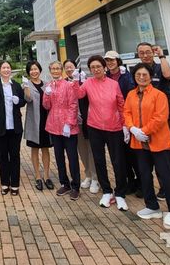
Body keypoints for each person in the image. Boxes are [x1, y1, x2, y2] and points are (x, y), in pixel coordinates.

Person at [124, 63, 170, 226]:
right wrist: (133, 129)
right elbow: (126, 112)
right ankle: (152, 206)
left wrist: (145, 131)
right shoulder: (131, 95)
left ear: (150, 77)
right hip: (139, 144)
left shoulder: (159, 94)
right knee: (144, 175)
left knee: (165, 176)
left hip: (159, 143)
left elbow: (160, 117)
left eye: (145, 75)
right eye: (138, 75)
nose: (141, 78)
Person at [135, 42, 170, 207]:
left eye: (148, 52)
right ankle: (165, 188)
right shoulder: (139, 72)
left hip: (168, 117)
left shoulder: (160, 67)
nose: (145, 55)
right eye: (141, 53)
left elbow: (167, 75)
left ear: (152, 53)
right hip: (149, 121)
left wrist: (162, 55)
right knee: (157, 154)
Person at [82, 55, 130, 211]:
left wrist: (125, 124)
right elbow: (78, 94)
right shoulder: (88, 83)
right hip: (94, 126)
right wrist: (76, 82)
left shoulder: (113, 84)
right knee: (99, 160)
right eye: (92, 67)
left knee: (118, 161)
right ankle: (107, 190)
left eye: (98, 66)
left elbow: (121, 104)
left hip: (114, 126)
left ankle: (120, 192)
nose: (96, 69)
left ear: (104, 67)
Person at [42, 60, 85, 201]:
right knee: (59, 156)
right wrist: (47, 94)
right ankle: (64, 183)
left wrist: (69, 123)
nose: (55, 71)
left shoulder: (69, 85)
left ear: (61, 70)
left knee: (72, 157)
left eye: (57, 68)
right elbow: (46, 106)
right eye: (53, 69)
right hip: (54, 125)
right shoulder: (48, 85)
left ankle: (76, 186)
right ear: (50, 70)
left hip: (68, 127)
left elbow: (73, 105)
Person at [104, 50, 140, 195]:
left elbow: (132, 95)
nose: (110, 63)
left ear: (118, 61)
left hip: (128, 118)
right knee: (121, 155)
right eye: (107, 60)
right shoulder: (106, 77)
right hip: (114, 121)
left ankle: (141, 183)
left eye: (112, 60)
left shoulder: (127, 76)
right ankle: (129, 182)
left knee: (133, 154)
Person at [0, 61, 26, 195]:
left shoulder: (15, 85)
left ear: (11, 70)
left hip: (15, 127)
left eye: (8, 67)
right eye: (3, 67)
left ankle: (15, 184)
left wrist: (19, 101)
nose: (6, 69)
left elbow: (23, 101)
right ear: (0, 70)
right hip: (0, 127)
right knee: (3, 155)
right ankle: (5, 183)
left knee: (15, 155)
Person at [63, 59, 97, 194]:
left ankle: (95, 177)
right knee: (81, 150)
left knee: (91, 150)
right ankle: (88, 175)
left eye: (71, 67)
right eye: (67, 68)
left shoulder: (85, 80)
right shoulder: (65, 82)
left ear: (75, 67)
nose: (69, 69)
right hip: (74, 122)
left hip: (88, 121)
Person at [22, 61, 54, 191]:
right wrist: (26, 87)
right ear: (28, 72)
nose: (34, 72)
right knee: (34, 149)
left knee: (46, 149)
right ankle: (37, 177)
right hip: (34, 121)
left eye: (36, 69)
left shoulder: (47, 84)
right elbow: (28, 99)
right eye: (31, 70)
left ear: (40, 70)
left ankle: (46, 176)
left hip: (46, 121)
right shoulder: (26, 84)